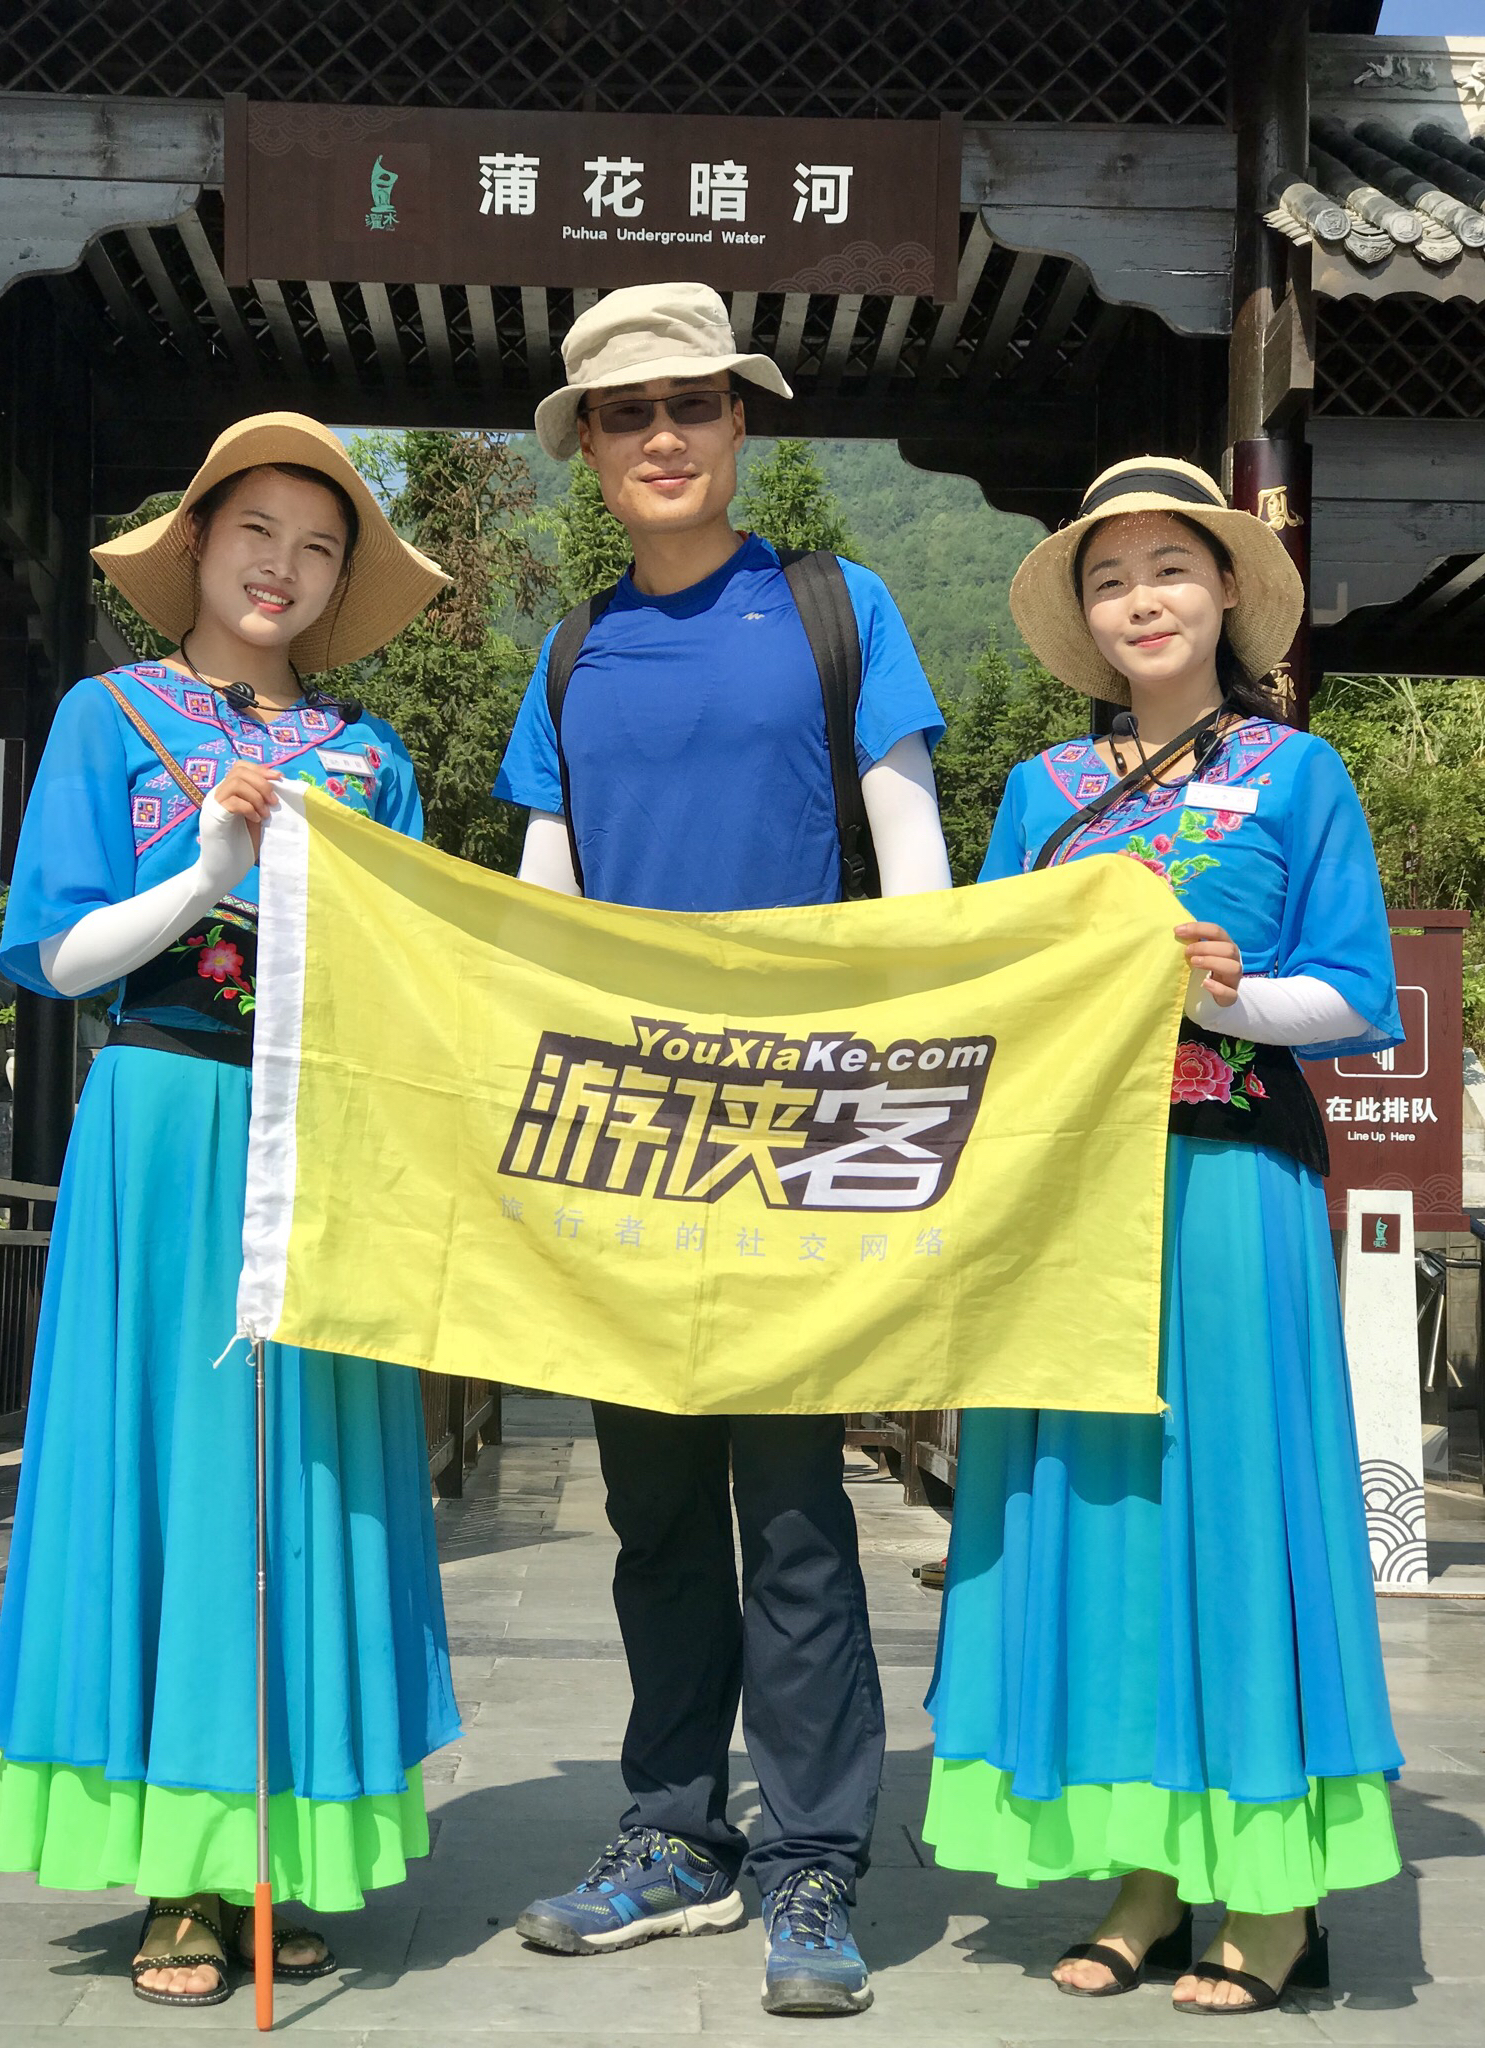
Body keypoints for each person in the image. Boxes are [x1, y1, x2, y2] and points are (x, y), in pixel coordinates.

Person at [495, 282, 952, 2018]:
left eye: (693, 403)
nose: (664, 436)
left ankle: (814, 1856)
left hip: (800, 1125)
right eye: (628, 414)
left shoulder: (839, 608)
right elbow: (542, 912)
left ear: (741, 424)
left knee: (799, 1507)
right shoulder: (571, 653)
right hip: (629, 1136)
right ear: (591, 452)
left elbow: (915, 877)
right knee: (656, 1511)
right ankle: (673, 1832)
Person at [0, 414, 461, 2011]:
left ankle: (287, 1849)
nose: (282, 566)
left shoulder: (372, 758)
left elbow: (417, 975)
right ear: (196, 541)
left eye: (318, 547)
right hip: (164, 1120)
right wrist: (204, 874)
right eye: (255, 529)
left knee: (301, 1478)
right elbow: (58, 956)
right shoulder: (108, 716)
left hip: (318, 1137)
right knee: (174, 1471)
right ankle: (180, 1875)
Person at [923, 456, 1404, 2015]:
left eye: (1171, 569)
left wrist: (1225, 995)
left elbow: (1358, 995)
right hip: (1076, 1199)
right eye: (1111, 576)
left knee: (1236, 1506)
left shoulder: (1297, 775)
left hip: (1230, 1188)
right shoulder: (1042, 793)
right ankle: (1141, 1869)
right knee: (1109, 1515)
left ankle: (1269, 1895)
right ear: (1084, 612)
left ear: (1228, 593)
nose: (1143, 599)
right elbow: (985, 985)